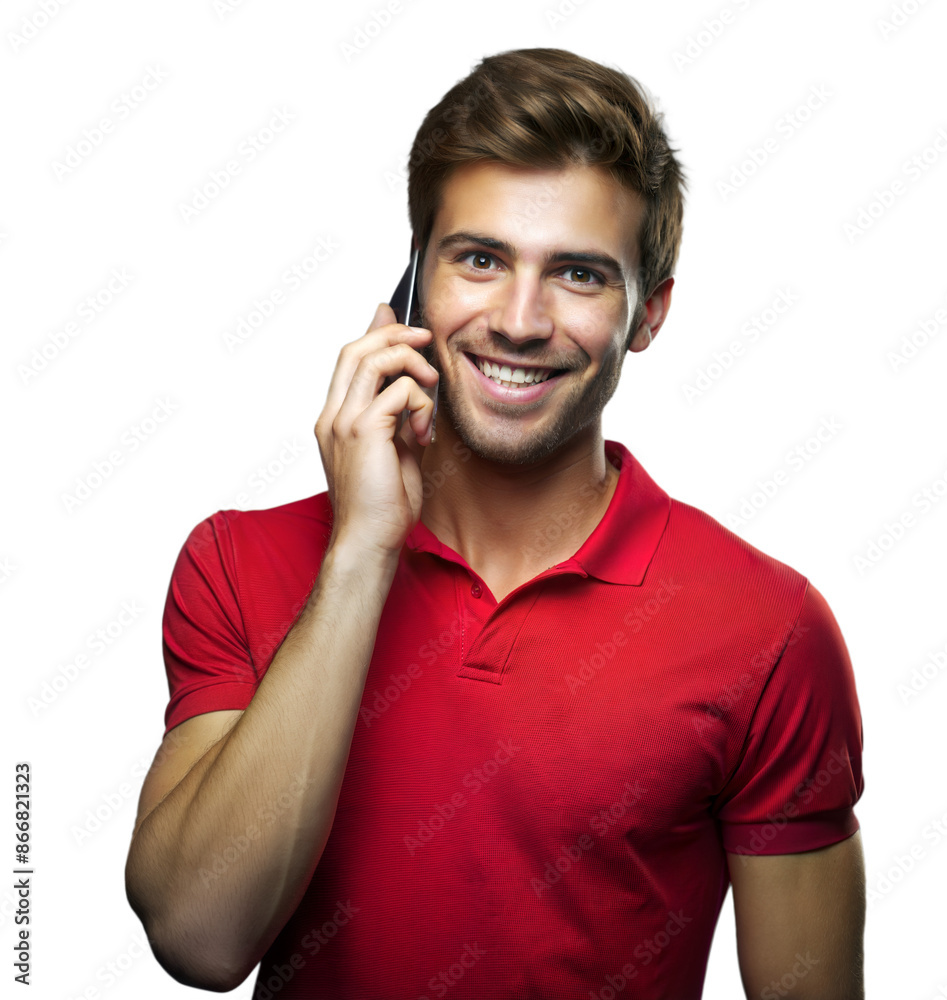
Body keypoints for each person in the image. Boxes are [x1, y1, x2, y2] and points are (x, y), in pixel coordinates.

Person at [125, 47, 865, 999]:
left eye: (580, 276)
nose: (520, 320)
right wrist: (360, 554)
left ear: (649, 315)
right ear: (410, 286)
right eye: (479, 259)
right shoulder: (237, 561)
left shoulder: (770, 630)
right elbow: (200, 938)